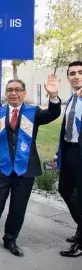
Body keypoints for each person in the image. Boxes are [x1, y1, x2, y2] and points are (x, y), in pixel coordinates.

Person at [0, 76, 60, 257]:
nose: (14, 93)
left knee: (18, 207)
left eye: (18, 90)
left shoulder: (32, 112)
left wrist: (53, 96)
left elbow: (52, 114)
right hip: (2, 169)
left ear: (24, 93)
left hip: (25, 169)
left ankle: (10, 239)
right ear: (6, 93)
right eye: (10, 90)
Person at [58, 61, 82, 257]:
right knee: (64, 188)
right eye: (72, 73)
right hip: (69, 150)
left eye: (80, 73)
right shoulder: (71, 99)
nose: (76, 76)